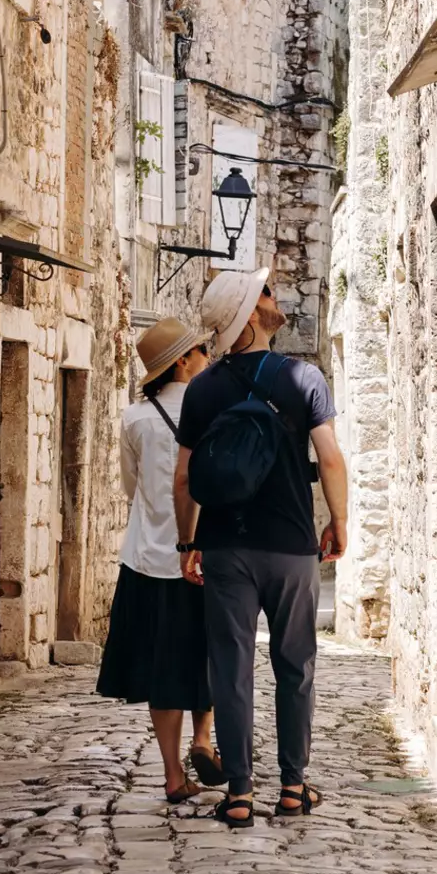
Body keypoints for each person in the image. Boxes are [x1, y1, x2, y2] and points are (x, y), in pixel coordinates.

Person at [172, 269, 348, 828]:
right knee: (295, 665)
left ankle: (241, 792)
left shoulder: (203, 389)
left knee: (231, 666)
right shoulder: (303, 379)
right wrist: (338, 520)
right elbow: (331, 458)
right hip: (293, 546)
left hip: (226, 547)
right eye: (265, 294)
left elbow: (184, 477)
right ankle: (293, 786)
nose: (275, 299)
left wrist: (189, 540)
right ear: (249, 314)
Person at [96, 318, 226, 803]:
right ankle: (203, 737)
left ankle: (173, 775)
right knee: (210, 653)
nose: (207, 359)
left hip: (149, 559)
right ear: (181, 362)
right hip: (207, 556)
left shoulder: (134, 419)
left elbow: (132, 489)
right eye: (199, 352)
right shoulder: (215, 413)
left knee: (163, 665)